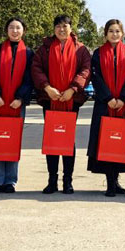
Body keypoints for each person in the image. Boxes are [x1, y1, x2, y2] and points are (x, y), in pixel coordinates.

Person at [31, 14, 91, 195]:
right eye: (58, 26)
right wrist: (47, 87)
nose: (61, 29)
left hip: (71, 100)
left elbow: (85, 70)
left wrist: (73, 89)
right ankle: (52, 181)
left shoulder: (81, 49)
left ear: (71, 28)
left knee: (67, 140)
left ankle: (67, 181)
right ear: (54, 29)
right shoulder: (45, 48)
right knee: (52, 139)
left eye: (65, 26)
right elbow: (36, 68)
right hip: (50, 100)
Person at [87, 19, 125, 197]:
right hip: (104, 104)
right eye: (111, 31)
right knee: (106, 141)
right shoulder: (98, 54)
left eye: (117, 31)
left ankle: (116, 180)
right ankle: (110, 182)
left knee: (120, 142)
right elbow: (96, 77)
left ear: (122, 34)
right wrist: (109, 98)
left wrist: (123, 97)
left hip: (124, 104)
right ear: (106, 34)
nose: (114, 34)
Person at [0, 17, 34, 195]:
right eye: (11, 27)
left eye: (18, 28)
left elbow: (30, 78)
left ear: (23, 31)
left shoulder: (28, 53)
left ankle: (10, 181)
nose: (14, 31)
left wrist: (20, 98)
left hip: (16, 104)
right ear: (6, 30)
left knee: (12, 140)